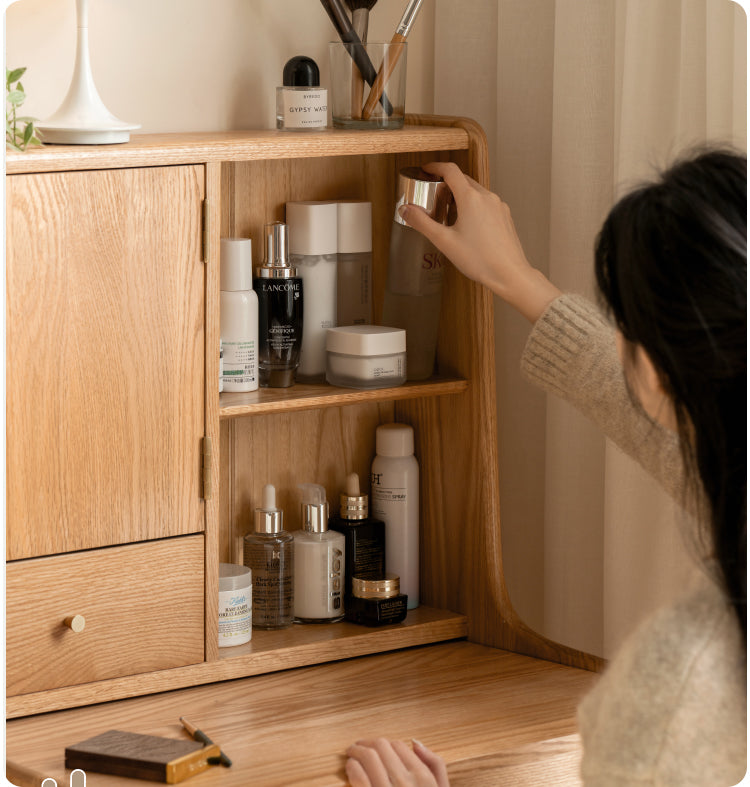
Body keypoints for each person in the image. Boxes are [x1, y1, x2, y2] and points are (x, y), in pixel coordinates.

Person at [345, 149, 747, 786]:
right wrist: (515, 276)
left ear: (658, 369)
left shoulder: (685, 682)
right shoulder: (728, 459)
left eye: (626, 325)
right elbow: (646, 407)